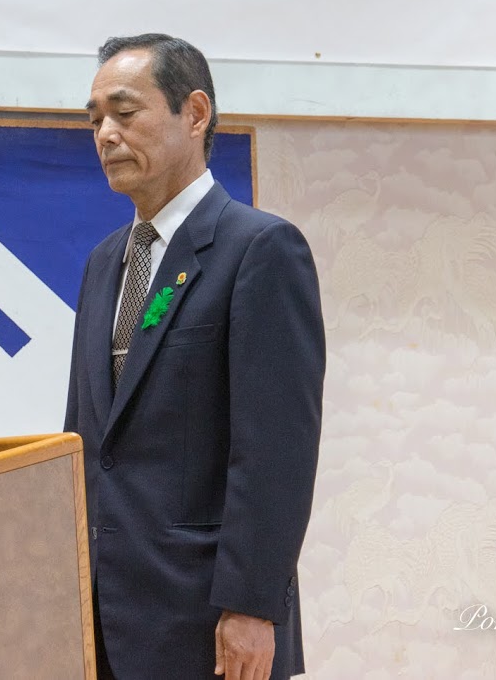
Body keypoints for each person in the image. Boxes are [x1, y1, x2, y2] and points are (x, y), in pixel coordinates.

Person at [65, 34, 326, 680]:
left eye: (125, 113)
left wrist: (252, 608)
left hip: (208, 624)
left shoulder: (258, 250)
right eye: (94, 119)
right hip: (101, 622)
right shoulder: (104, 264)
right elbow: (86, 440)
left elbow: (275, 453)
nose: (105, 134)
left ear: (196, 113)